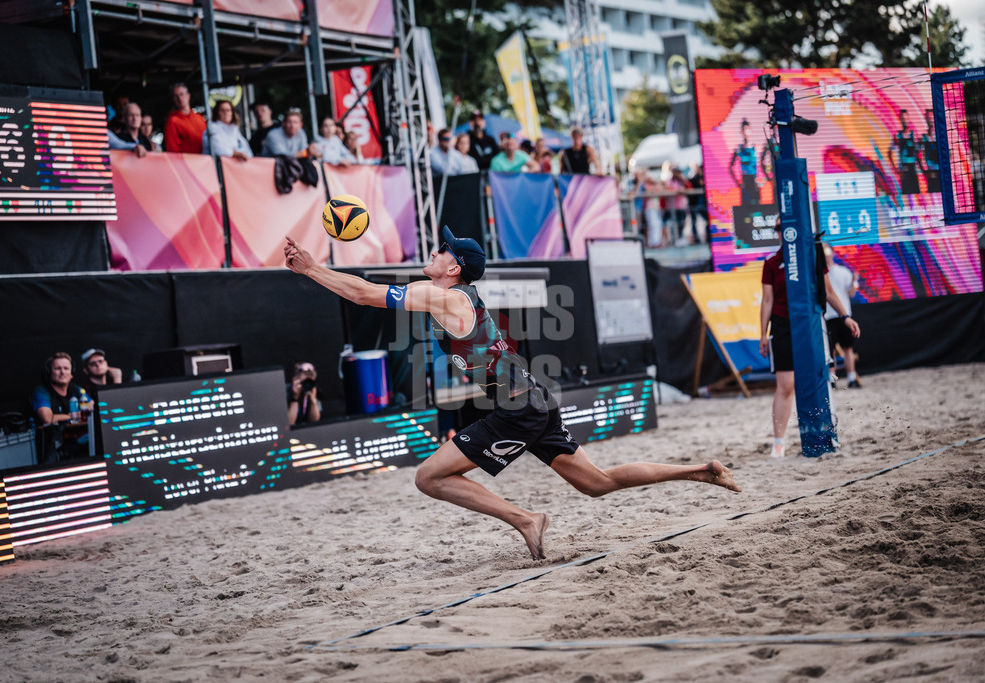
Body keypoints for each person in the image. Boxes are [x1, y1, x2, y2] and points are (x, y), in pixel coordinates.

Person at [283, 226, 741, 560]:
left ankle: (526, 519)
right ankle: (700, 470)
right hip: (533, 399)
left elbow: (364, 295)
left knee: (429, 477)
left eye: (443, 248)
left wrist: (310, 268)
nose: (435, 250)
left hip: (519, 407)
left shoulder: (445, 296)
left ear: (454, 267)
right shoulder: (459, 298)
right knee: (596, 483)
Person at [759, 247, 861, 458]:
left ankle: (827, 434)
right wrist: (762, 333)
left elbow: (829, 292)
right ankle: (778, 444)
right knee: (786, 386)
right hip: (782, 326)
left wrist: (845, 316)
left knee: (821, 378)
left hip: (810, 323)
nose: (782, 230)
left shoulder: (811, 255)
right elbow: (767, 300)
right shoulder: (771, 262)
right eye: (778, 227)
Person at [823, 246, 861, 388]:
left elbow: (851, 293)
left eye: (827, 252)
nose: (826, 256)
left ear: (832, 254)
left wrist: (854, 282)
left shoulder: (843, 272)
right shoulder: (820, 273)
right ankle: (833, 381)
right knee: (830, 351)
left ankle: (852, 378)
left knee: (848, 348)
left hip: (844, 315)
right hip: (828, 316)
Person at [30, 353, 88, 426]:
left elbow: (92, 406)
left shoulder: (76, 389)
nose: (62, 372)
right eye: (57, 368)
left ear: (71, 373)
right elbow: (47, 418)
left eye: (66, 368)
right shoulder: (41, 391)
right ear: (49, 372)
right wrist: (74, 415)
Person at [163, 83, 207, 154]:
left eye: (181, 94)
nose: (180, 98)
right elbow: (172, 150)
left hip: (204, 161)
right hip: (186, 163)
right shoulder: (172, 121)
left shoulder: (199, 118)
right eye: (176, 96)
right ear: (173, 99)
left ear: (188, 96)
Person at [888, 109, 921, 195]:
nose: (905, 120)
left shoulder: (914, 135)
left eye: (906, 118)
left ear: (909, 119)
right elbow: (889, 153)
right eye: (903, 118)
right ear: (900, 120)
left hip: (913, 169)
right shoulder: (898, 136)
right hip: (904, 169)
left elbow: (919, 152)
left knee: (916, 192)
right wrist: (895, 169)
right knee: (907, 194)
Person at [729, 119, 760, 205]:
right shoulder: (739, 148)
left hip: (754, 180)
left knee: (757, 206)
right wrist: (738, 181)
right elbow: (731, 167)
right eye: (743, 129)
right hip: (745, 181)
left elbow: (760, 164)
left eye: (747, 129)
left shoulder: (755, 147)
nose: (745, 132)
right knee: (746, 206)